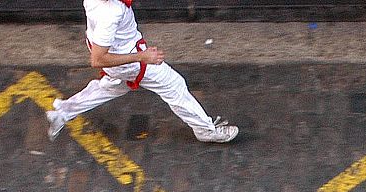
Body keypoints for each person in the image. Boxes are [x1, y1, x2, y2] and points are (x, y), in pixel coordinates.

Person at [46, 0, 238, 143]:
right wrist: (142, 57)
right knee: (174, 85)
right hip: (130, 62)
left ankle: (62, 113)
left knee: (107, 88)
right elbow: (97, 59)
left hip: (119, 61)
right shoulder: (110, 13)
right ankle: (206, 130)